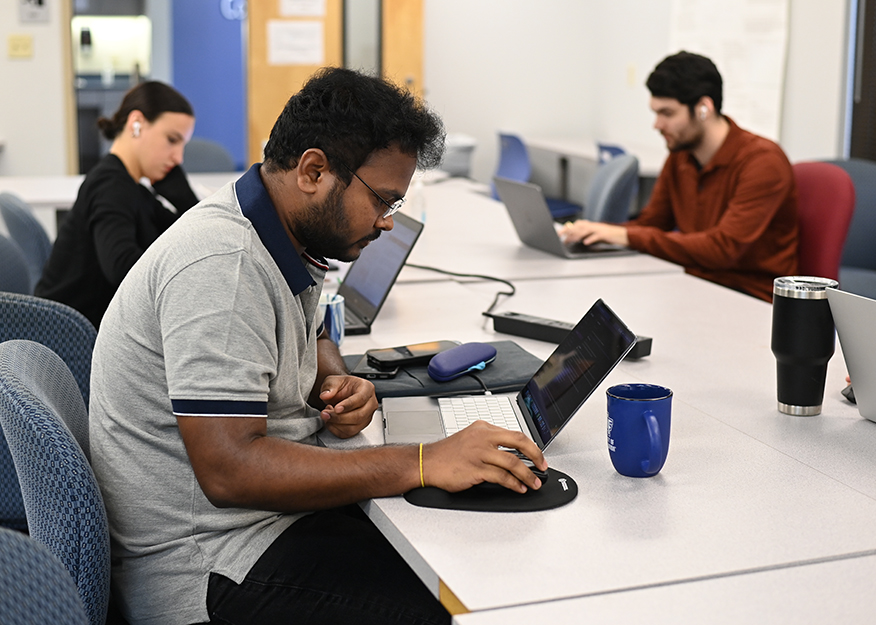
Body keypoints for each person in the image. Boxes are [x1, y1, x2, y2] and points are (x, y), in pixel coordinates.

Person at [89, 68, 547, 625]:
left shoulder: (277, 226)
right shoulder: (224, 265)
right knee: (459, 606)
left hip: (259, 528)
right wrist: (424, 461)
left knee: (460, 554)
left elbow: (312, 331)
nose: (384, 224)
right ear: (313, 170)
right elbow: (230, 470)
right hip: (209, 567)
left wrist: (330, 375)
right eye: (382, 201)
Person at [562, 51, 798, 302]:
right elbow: (652, 223)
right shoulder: (681, 156)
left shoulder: (763, 162)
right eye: (656, 113)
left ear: (703, 109)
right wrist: (599, 232)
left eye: (667, 113)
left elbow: (723, 249)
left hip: (748, 298)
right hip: (693, 283)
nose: (657, 125)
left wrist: (626, 236)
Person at [35, 81, 198, 328]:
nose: (179, 158)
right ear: (137, 123)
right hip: (69, 340)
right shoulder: (111, 185)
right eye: (172, 140)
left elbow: (188, 238)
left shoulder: (132, 188)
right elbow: (121, 266)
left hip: (82, 330)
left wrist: (183, 197)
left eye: (182, 145)